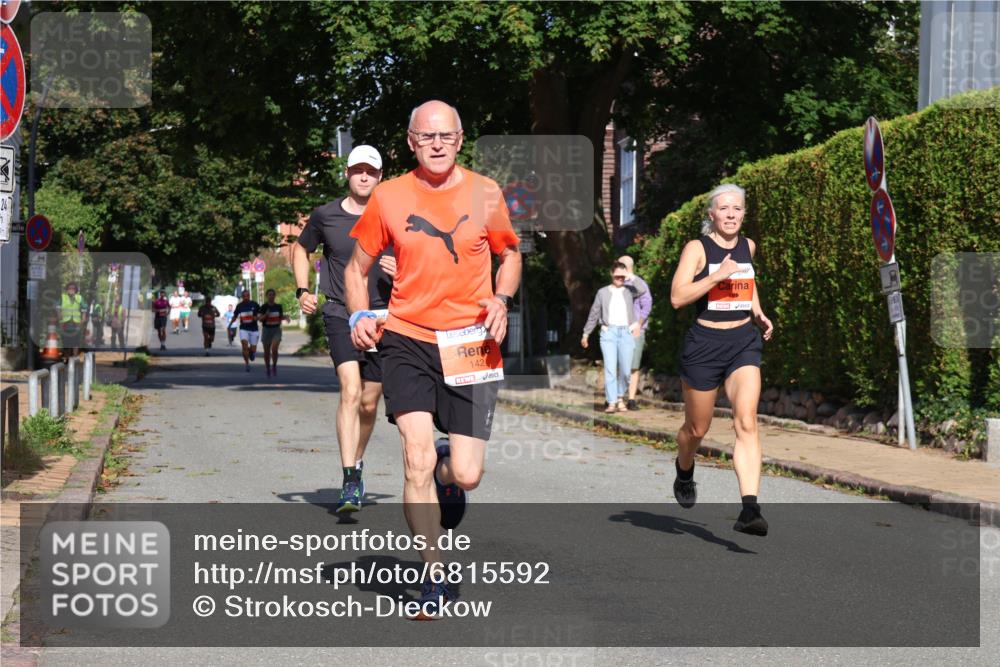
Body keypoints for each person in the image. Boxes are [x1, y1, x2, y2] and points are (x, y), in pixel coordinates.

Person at [346, 100, 521, 617]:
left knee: (465, 474)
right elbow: (356, 270)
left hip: (471, 339)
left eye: (446, 136)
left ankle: (449, 471)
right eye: (427, 137)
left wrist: (501, 299)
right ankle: (434, 574)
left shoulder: (486, 193)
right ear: (411, 142)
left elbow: (509, 255)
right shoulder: (389, 196)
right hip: (407, 338)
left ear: (461, 139)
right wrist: (359, 317)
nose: (438, 144)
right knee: (414, 458)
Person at [669, 183, 774, 536]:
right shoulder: (697, 249)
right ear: (712, 214)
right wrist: (715, 275)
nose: (731, 215)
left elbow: (747, 281)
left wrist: (757, 312)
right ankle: (684, 469)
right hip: (704, 344)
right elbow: (677, 297)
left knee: (746, 421)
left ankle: (750, 509)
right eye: (724, 209)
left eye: (737, 209)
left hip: (743, 341)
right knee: (697, 429)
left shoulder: (748, 246)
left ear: (744, 214)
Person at [294, 144, 394, 514]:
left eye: (371, 171)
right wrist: (303, 290)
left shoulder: (394, 215)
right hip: (339, 312)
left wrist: (404, 271)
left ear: (380, 176)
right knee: (350, 390)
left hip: (384, 317)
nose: (364, 176)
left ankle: (358, 460)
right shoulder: (326, 215)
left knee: (370, 401)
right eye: (358, 170)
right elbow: (300, 249)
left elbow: (420, 254)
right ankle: (350, 476)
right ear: (348, 174)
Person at [581, 262, 646, 413]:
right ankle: (611, 402)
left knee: (625, 370)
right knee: (610, 369)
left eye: (622, 276)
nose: (620, 279)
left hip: (626, 333)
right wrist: (586, 333)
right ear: (611, 274)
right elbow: (594, 313)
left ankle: (619, 397)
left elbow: (642, 290)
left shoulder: (630, 291)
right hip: (608, 333)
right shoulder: (602, 293)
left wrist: (630, 276)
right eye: (617, 276)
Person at [618, 255, 653, 410]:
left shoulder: (639, 284)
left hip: (634, 331)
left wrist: (638, 325)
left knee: (633, 366)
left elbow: (646, 306)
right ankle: (618, 398)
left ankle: (631, 399)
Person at [258, 289, 291, 376]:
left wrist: (286, 318)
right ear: (267, 296)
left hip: (276, 329)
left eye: (273, 294)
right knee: (266, 351)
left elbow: (280, 317)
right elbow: (260, 319)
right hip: (266, 330)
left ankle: (274, 366)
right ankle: (267, 367)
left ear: (275, 296)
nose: (271, 296)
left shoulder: (278, 306)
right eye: (269, 295)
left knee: (274, 349)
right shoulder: (264, 307)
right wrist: (266, 315)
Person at [233, 290, 261, 372]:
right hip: (243, 329)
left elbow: (260, 313)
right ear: (242, 297)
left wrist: (257, 317)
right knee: (244, 346)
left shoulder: (254, 304)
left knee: (253, 349)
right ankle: (247, 364)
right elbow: (235, 316)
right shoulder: (239, 306)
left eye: (247, 296)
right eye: (244, 296)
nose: (246, 297)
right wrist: (230, 325)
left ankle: (252, 353)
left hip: (254, 329)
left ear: (249, 296)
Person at [58, 282, 84, 358]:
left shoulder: (79, 298)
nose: (71, 290)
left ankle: (75, 359)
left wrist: (83, 318)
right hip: (65, 323)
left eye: (73, 288)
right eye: (69, 288)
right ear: (67, 289)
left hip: (76, 323)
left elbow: (84, 308)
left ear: (76, 290)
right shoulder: (63, 297)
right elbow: (57, 306)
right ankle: (67, 358)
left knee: (75, 342)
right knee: (66, 342)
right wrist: (59, 314)